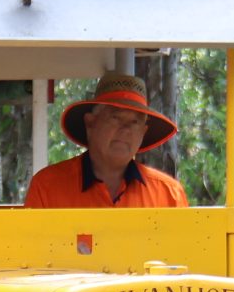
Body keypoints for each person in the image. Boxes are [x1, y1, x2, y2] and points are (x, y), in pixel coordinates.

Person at [22, 70, 189, 208]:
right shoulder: (48, 187)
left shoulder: (169, 195)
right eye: (115, 118)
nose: (126, 129)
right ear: (90, 123)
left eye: (135, 122)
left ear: (143, 132)